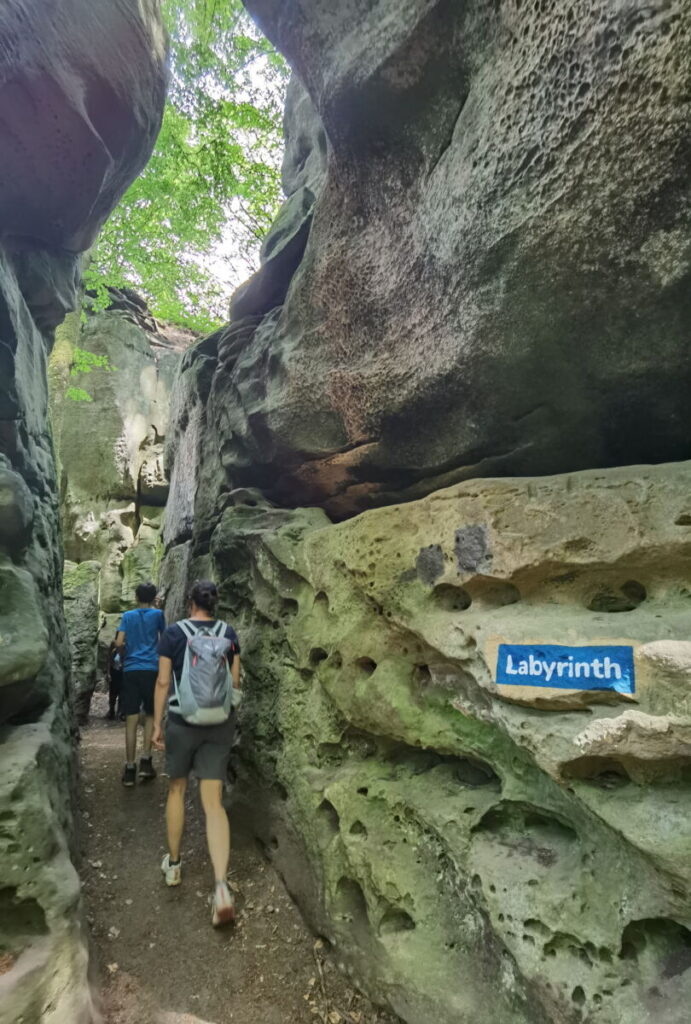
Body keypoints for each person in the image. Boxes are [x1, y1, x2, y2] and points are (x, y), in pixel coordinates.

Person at [152, 579, 241, 927]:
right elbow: (235, 681)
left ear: (191, 603)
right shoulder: (228, 632)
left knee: (176, 789)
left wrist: (157, 724)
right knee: (213, 802)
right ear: (214, 605)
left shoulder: (174, 634)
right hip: (218, 724)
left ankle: (173, 866)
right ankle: (221, 888)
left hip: (181, 721)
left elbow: (162, 682)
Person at [116, 582, 166, 787]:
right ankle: (146, 761)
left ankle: (129, 768)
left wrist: (124, 656)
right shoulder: (158, 615)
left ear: (136, 597)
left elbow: (119, 642)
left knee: (131, 718)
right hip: (151, 669)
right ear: (154, 597)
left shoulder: (128, 616)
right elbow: (164, 640)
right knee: (150, 715)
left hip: (131, 669)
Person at [106, 630, 124, 720]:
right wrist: (108, 673)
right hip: (114, 672)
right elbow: (109, 659)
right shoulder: (113, 644)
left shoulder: (126, 646)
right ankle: (111, 711)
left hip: (122, 672)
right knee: (112, 693)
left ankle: (120, 712)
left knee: (122, 693)